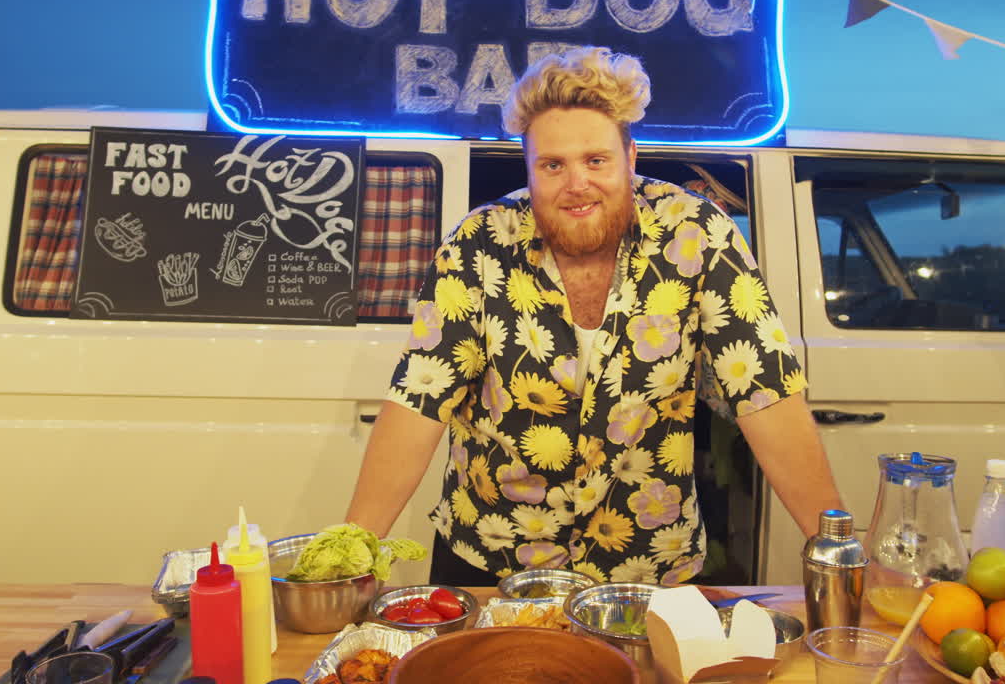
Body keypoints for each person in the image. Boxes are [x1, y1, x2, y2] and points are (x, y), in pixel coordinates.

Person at [345, 46, 843, 585]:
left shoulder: (697, 234)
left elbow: (767, 396)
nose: (576, 183)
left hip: (647, 566)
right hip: (494, 560)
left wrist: (842, 558)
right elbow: (419, 402)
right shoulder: (477, 244)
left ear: (630, 157)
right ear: (529, 167)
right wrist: (350, 557)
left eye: (596, 160)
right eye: (553, 165)